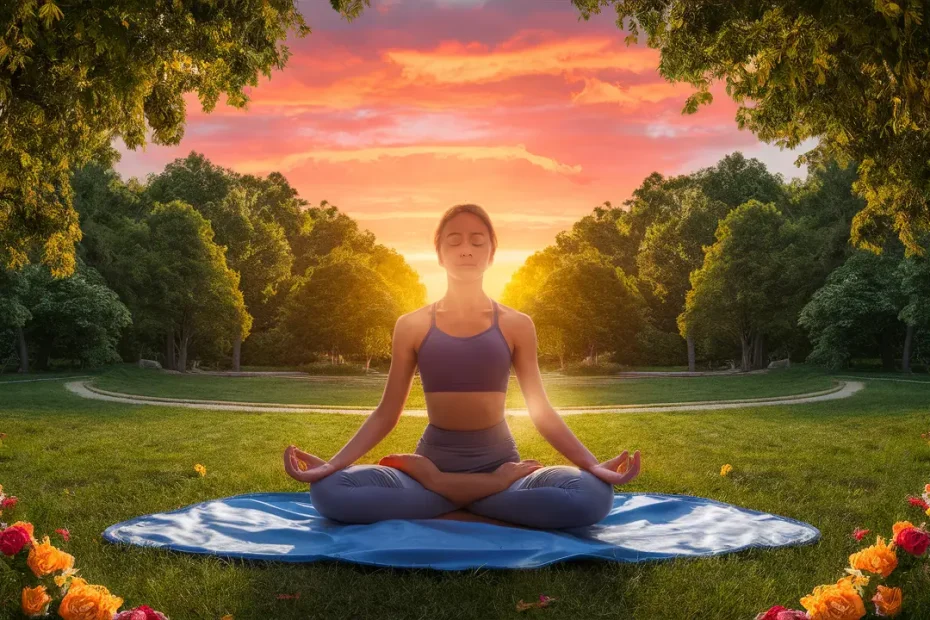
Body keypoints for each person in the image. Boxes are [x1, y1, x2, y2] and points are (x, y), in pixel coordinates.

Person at [283, 204, 641, 529]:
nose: (466, 249)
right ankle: (481, 500)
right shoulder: (412, 325)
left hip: (501, 467)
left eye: (477, 241)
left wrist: (592, 466)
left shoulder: (517, 324)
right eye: (453, 242)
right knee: (329, 491)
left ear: (491, 254)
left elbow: (541, 410)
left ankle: (450, 501)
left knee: (593, 496)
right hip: (430, 468)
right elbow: (386, 413)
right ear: (439, 254)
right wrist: (333, 465)